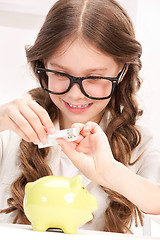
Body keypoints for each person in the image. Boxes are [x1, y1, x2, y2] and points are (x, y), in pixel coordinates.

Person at [0, 0, 160, 235]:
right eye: (60, 73)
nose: (74, 94)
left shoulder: (142, 144)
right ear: (43, 63)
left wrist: (110, 172)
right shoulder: (10, 131)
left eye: (94, 77)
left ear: (122, 71)